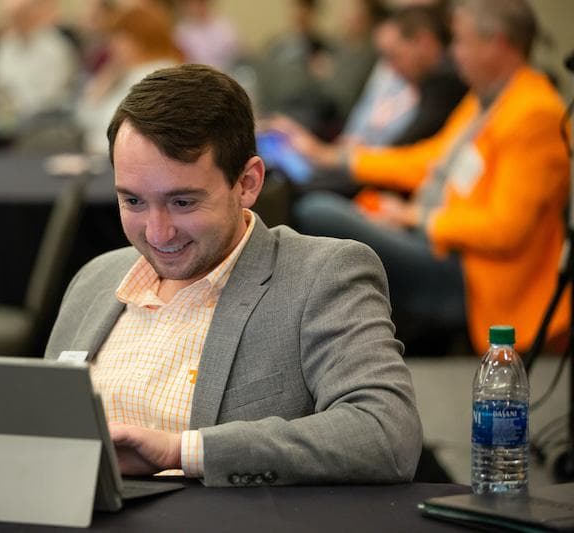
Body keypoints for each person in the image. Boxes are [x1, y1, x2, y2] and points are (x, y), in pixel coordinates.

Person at [45, 64, 421, 486]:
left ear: (247, 183)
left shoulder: (321, 276)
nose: (156, 232)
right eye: (133, 201)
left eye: (182, 203)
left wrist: (183, 451)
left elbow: (386, 434)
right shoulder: (95, 281)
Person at [293, 0, 570, 353]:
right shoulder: (488, 99)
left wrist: (414, 216)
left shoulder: (535, 113)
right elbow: (428, 160)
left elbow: (505, 228)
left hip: (471, 273)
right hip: (436, 240)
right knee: (325, 205)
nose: (454, 54)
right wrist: (340, 159)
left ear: (498, 44)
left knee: (317, 211)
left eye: (462, 41)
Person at [269, 3, 468, 197]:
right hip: (360, 162)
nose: (391, 68)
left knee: (306, 200)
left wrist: (328, 155)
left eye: (395, 56)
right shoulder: (415, 81)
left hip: (381, 185)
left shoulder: (445, 82)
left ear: (424, 42)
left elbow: (402, 156)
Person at [75, 3, 182, 154]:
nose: (112, 45)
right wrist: (106, 78)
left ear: (139, 41)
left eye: (119, 38)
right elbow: (84, 118)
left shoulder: (156, 78)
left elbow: (111, 132)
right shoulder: (127, 72)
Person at [0, 0, 79, 123]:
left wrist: (17, 106)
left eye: (19, 15)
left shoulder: (55, 47)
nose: (14, 21)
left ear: (32, 14)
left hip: (45, 122)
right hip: (7, 118)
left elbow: (52, 94)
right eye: (10, 17)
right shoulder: (3, 47)